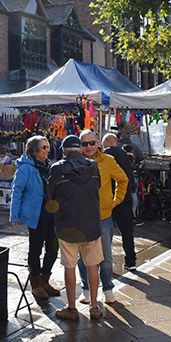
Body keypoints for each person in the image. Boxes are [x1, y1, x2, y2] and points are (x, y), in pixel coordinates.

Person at [47, 135, 103, 320]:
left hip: (67, 223)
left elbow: (51, 194)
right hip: (91, 222)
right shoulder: (93, 166)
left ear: (63, 150)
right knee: (92, 265)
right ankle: (94, 306)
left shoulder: (56, 169)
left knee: (69, 266)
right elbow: (98, 186)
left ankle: (71, 309)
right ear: (80, 149)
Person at [77, 129, 128, 305]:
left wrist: (116, 200)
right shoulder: (74, 162)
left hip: (103, 216)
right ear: (80, 146)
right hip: (82, 217)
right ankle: (87, 290)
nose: (89, 147)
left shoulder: (108, 161)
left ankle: (107, 289)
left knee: (106, 256)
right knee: (83, 257)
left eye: (92, 143)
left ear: (98, 143)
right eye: (85, 144)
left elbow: (123, 179)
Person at [10, 135, 59, 300]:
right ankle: (36, 283)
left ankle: (45, 280)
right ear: (34, 150)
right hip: (36, 215)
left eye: (47, 147)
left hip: (52, 214)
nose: (47, 150)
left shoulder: (49, 166)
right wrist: (14, 215)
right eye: (44, 147)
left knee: (53, 249)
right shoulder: (26, 167)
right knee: (35, 249)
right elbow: (16, 191)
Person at [102, 133, 136, 271]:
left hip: (111, 198)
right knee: (127, 231)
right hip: (126, 197)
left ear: (108, 142)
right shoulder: (124, 153)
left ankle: (105, 263)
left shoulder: (107, 154)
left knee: (106, 232)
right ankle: (131, 261)